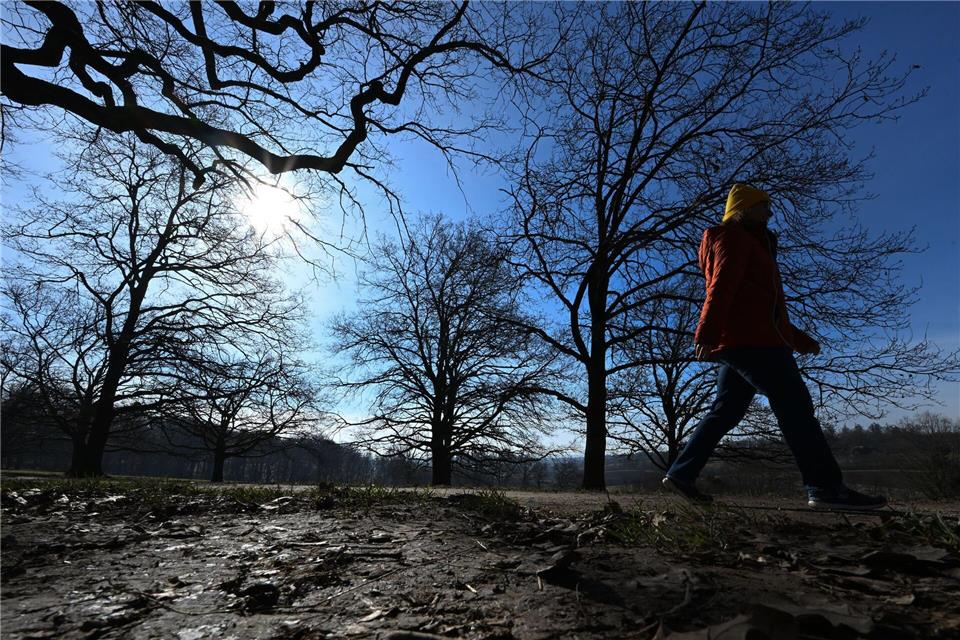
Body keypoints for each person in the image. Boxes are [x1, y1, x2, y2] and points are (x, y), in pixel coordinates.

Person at [662, 184, 887, 510]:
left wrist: (796, 338)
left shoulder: (750, 243)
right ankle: (825, 487)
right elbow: (722, 286)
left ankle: (682, 473)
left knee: (726, 410)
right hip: (751, 343)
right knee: (795, 407)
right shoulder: (735, 239)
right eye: (763, 205)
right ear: (744, 209)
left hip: (747, 339)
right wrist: (706, 332)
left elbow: (761, 308)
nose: (770, 212)